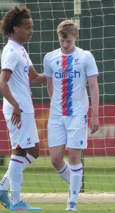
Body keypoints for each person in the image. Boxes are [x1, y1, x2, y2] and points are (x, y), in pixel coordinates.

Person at [43, 20, 100, 211]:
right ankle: (75, 185)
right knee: (56, 160)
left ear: (76, 37)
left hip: (78, 113)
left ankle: (72, 202)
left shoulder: (85, 57)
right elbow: (50, 84)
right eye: (61, 41)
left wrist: (95, 115)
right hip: (56, 115)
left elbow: (93, 86)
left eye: (68, 41)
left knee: (74, 155)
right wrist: (54, 104)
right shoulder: (50, 58)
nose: (64, 45)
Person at [0, 5, 46, 211]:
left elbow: (35, 78)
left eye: (32, 27)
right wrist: (15, 104)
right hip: (17, 108)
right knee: (18, 152)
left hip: (25, 108)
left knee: (33, 151)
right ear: (16, 28)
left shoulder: (21, 49)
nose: (31, 31)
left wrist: (59, 72)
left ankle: (2, 188)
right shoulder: (10, 51)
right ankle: (16, 202)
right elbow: (2, 82)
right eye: (27, 27)